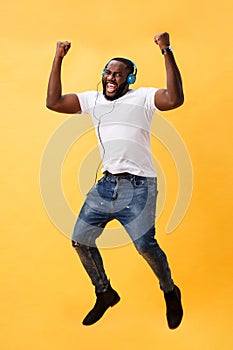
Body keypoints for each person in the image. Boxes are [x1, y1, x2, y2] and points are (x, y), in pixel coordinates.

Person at [46, 32, 184, 329]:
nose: (112, 78)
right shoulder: (93, 100)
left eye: (119, 75)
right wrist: (58, 58)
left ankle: (170, 291)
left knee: (146, 246)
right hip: (106, 186)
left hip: (140, 187)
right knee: (80, 241)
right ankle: (105, 292)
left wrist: (166, 51)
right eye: (108, 72)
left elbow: (174, 99)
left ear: (129, 79)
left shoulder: (144, 97)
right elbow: (54, 102)